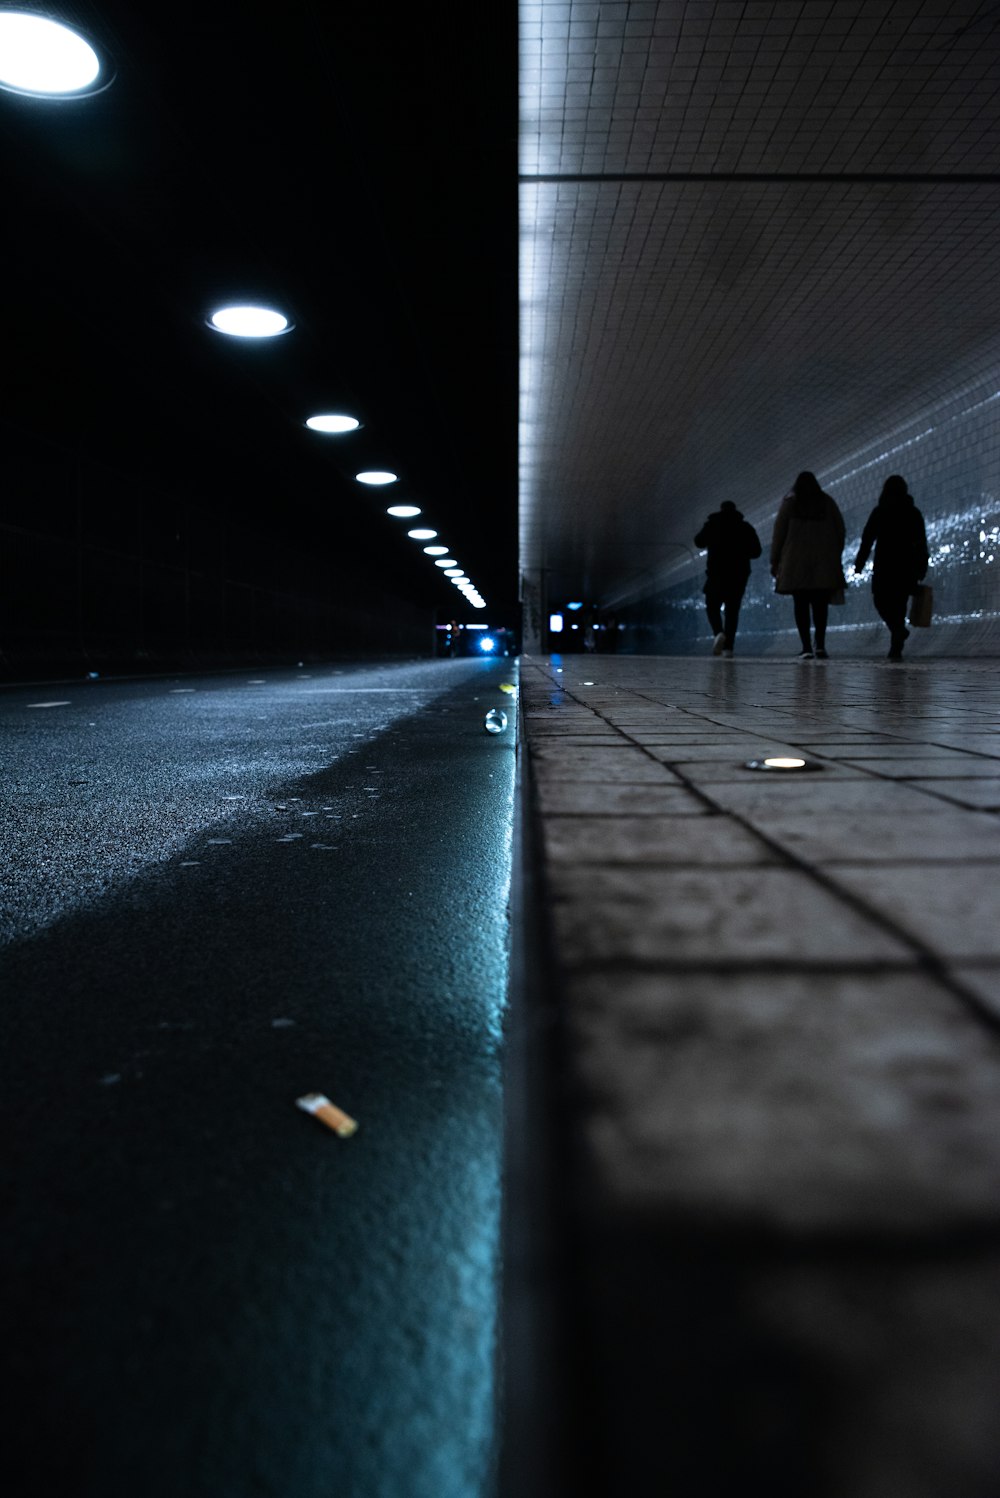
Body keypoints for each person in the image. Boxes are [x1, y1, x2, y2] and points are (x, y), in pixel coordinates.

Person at [853, 474, 929, 661]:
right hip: (906, 566)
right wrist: (921, 566)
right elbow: (921, 543)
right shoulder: (913, 513)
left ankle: (897, 632)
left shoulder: (880, 511)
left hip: (885, 566)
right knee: (899, 605)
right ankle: (897, 643)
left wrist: (859, 564)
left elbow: (867, 540)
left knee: (881, 601)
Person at [770, 471, 846, 658]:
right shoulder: (827, 503)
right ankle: (820, 645)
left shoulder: (790, 505)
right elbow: (841, 530)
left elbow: (779, 534)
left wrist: (775, 560)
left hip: (796, 564)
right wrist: (835, 554)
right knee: (820, 605)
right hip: (823, 563)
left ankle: (806, 647)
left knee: (801, 604)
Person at [693, 500, 762, 657]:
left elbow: (698, 542)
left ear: (721, 510)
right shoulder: (745, 527)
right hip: (738, 575)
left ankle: (718, 632)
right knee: (732, 611)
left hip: (716, 573)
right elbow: (756, 552)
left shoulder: (712, 525)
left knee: (712, 606)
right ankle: (728, 648)